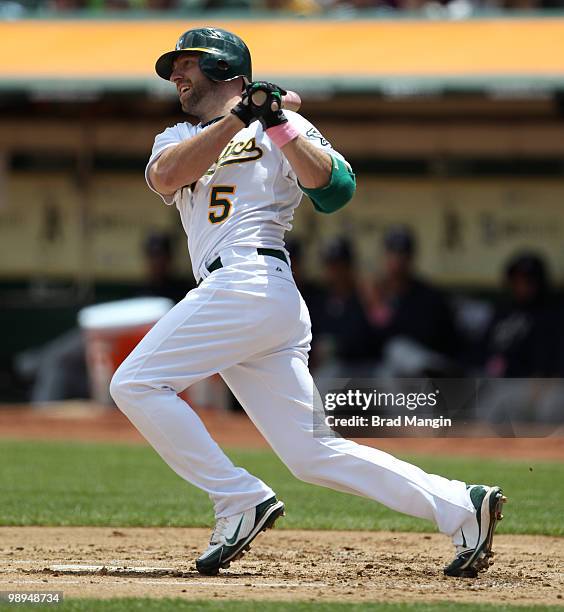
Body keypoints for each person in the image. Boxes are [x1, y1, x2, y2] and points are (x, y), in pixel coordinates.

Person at [109, 26, 505, 578]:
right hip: (241, 296)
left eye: (187, 64)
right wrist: (244, 114)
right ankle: (463, 506)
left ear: (224, 66)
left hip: (252, 279)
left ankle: (237, 499)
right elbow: (166, 176)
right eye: (174, 67)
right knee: (311, 453)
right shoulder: (177, 134)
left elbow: (336, 190)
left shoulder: (283, 126)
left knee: (134, 383)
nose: (176, 75)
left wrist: (277, 123)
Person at [367, 225, 460, 376]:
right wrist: (376, 305)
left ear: (411, 258)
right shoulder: (377, 292)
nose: (397, 260)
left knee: (398, 348)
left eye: (402, 254)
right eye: (392, 253)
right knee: (391, 359)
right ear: (384, 256)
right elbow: (371, 342)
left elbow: (433, 337)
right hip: (392, 366)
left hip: (431, 361)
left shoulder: (428, 295)